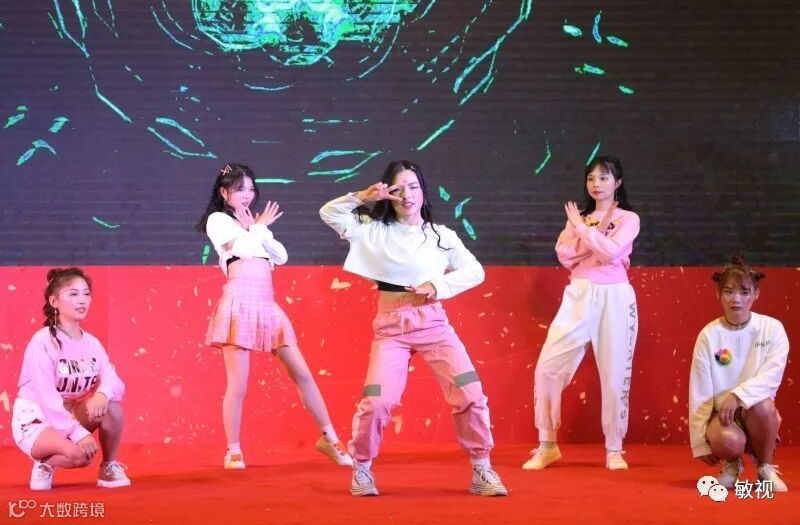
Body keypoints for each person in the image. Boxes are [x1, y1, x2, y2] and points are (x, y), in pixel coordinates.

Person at [319, 159, 507, 497]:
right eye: (399, 188)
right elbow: (329, 213)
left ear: (423, 192)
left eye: (414, 187)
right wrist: (363, 196)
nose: (407, 194)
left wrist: (437, 286)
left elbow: (475, 271)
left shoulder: (441, 236)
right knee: (377, 402)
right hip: (391, 326)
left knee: (470, 393)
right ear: (388, 192)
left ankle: (482, 469)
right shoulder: (372, 229)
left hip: (433, 322)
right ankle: (362, 469)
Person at [196, 163, 352, 469]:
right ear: (224, 193)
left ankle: (330, 439)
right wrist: (257, 228)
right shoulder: (218, 220)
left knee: (303, 374)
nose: (247, 195)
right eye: (239, 189)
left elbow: (280, 255)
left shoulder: (252, 225)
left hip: (267, 303)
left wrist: (259, 228)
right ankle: (233, 450)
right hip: (240, 301)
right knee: (238, 384)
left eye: (250, 189)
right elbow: (241, 248)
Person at [523, 156, 640, 471]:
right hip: (579, 293)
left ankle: (614, 449)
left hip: (615, 295)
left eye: (604, 177)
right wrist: (590, 237)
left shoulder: (629, 218)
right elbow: (564, 255)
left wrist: (582, 233)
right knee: (548, 367)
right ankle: (547, 445)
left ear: (617, 182)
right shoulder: (579, 218)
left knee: (615, 372)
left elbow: (612, 252)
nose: (596, 184)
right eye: (591, 178)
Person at [12, 268, 130, 490]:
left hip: (69, 412)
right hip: (36, 418)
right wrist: (78, 434)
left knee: (111, 407)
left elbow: (112, 379)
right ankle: (44, 462)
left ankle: (108, 467)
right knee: (80, 456)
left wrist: (102, 394)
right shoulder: (42, 342)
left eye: (86, 294)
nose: (82, 300)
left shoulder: (92, 343)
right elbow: (46, 398)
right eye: (73, 294)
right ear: (54, 301)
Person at [689, 255, 789, 492]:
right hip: (723, 416)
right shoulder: (709, 335)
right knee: (728, 440)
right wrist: (699, 442)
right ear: (718, 294)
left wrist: (737, 396)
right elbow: (700, 391)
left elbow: (771, 378)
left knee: (764, 406)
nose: (736, 299)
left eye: (744, 292)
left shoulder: (772, 329)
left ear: (756, 294)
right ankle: (732, 465)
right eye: (729, 292)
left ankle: (765, 467)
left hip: (758, 413)